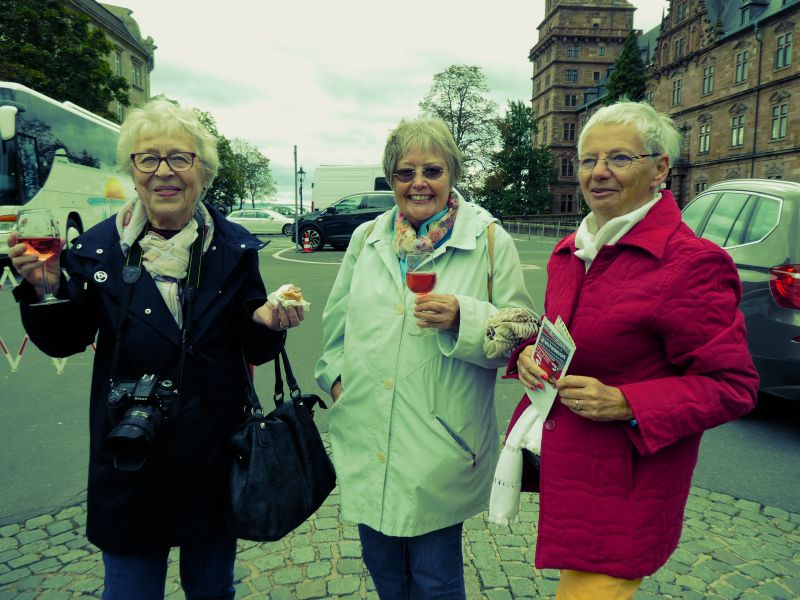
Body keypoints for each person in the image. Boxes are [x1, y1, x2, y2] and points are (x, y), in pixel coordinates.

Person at [7, 98, 303, 599]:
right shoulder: (93, 249)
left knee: (211, 591)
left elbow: (253, 346)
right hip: (130, 455)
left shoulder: (234, 249)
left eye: (179, 158)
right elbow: (65, 338)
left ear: (202, 173)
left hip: (213, 453)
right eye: (148, 159)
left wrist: (269, 322)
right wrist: (44, 290)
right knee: (129, 592)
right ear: (134, 172)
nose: (163, 172)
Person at [503, 100, 759, 599]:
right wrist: (528, 357)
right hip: (572, 474)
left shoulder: (691, 264)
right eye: (588, 160)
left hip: (627, 489)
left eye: (619, 158)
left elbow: (734, 387)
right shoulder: (570, 251)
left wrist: (626, 403)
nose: (598, 173)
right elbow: (566, 336)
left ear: (659, 168)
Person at [315, 117, 534, 599]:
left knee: (435, 580)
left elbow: (521, 332)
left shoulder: (489, 239)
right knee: (383, 570)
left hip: (441, 439)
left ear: (452, 174)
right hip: (367, 427)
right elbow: (337, 328)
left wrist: (465, 318)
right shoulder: (367, 237)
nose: (418, 183)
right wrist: (337, 386)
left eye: (431, 171)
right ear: (391, 179)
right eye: (404, 172)